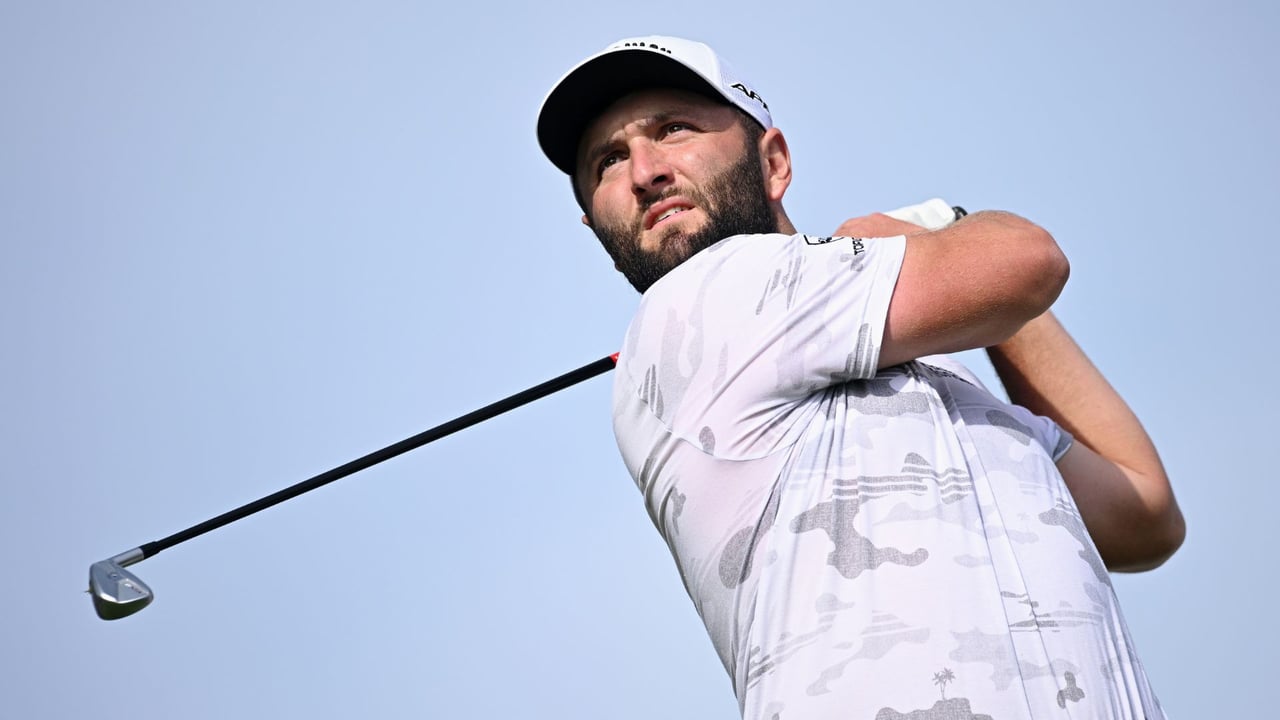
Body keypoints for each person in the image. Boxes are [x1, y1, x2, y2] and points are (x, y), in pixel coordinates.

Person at [537, 36, 1184, 720]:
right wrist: (943, 237)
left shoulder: (938, 376)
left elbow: (1144, 515)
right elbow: (1030, 260)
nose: (644, 170)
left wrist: (954, 272)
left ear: (774, 162)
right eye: (608, 161)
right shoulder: (701, 298)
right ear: (596, 225)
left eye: (674, 128)